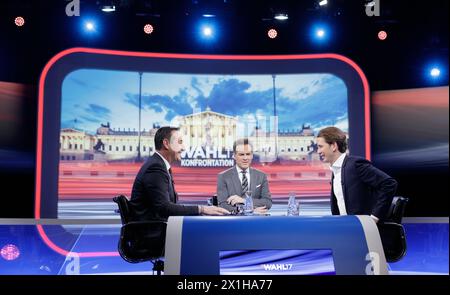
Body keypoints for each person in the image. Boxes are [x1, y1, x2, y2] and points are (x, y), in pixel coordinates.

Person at [130, 126, 229, 221]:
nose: (184, 148)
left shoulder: (158, 164)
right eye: (180, 142)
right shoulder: (155, 167)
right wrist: (202, 209)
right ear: (166, 144)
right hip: (154, 233)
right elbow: (164, 208)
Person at [316, 127, 398, 222]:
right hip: (347, 228)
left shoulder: (355, 165)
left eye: (320, 146)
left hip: (363, 231)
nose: (318, 151)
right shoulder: (336, 170)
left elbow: (389, 183)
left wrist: (374, 217)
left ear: (334, 146)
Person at [216, 138, 272, 214]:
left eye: (248, 154)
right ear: (234, 156)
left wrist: (244, 201)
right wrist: (249, 210)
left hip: (256, 222)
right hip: (233, 222)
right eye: (241, 154)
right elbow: (222, 205)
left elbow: (267, 202)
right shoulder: (223, 177)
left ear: (252, 155)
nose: (245, 158)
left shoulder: (261, 176)